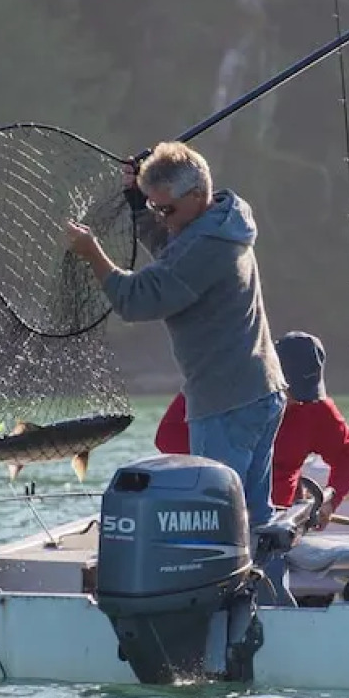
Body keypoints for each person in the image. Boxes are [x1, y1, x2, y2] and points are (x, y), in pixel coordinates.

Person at [64, 142, 286, 533]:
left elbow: (136, 300)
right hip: (260, 389)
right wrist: (138, 204)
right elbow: (173, 250)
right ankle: (268, 588)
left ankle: (226, 594)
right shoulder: (224, 221)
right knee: (254, 519)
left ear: (197, 194)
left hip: (227, 403)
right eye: (155, 208)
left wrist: (92, 253)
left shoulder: (205, 249)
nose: (162, 218)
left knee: (216, 520)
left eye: (166, 209)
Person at [154, 330, 349, 528]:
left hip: (278, 521)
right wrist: (231, 450)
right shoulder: (216, 382)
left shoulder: (316, 409)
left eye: (305, 393)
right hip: (213, 511)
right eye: (291, 389)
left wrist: (331, 499)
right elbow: (166, 437)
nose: (296, 400)